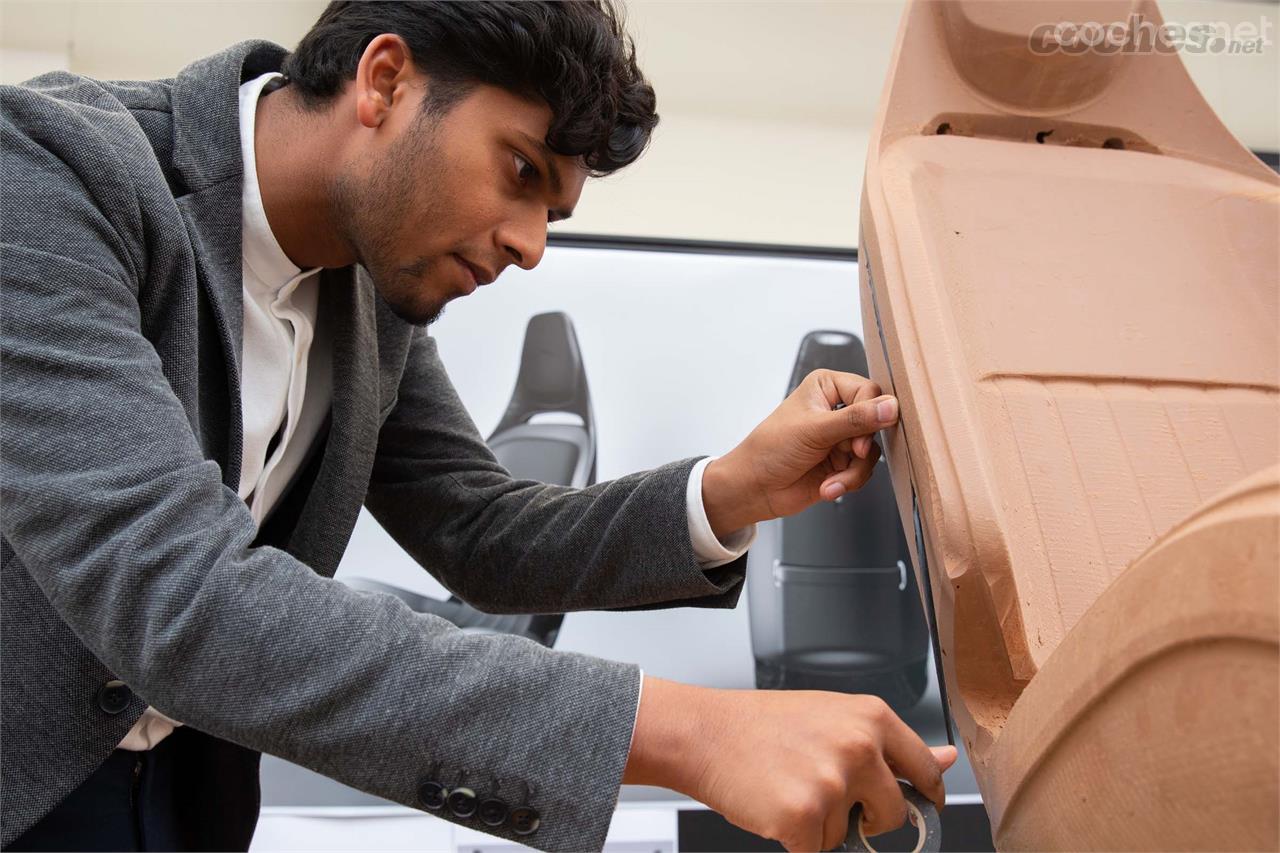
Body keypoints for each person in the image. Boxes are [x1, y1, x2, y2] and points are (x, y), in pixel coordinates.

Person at [0, 2, 955, 851]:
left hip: (184, 795)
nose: (531, 245)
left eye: (552, 209)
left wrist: (730, 487)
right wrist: (688, 733)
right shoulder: (49, 175)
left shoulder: (368, 285)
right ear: (385, 81)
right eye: (520, 170)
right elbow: (177, 594)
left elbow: (480, 532)